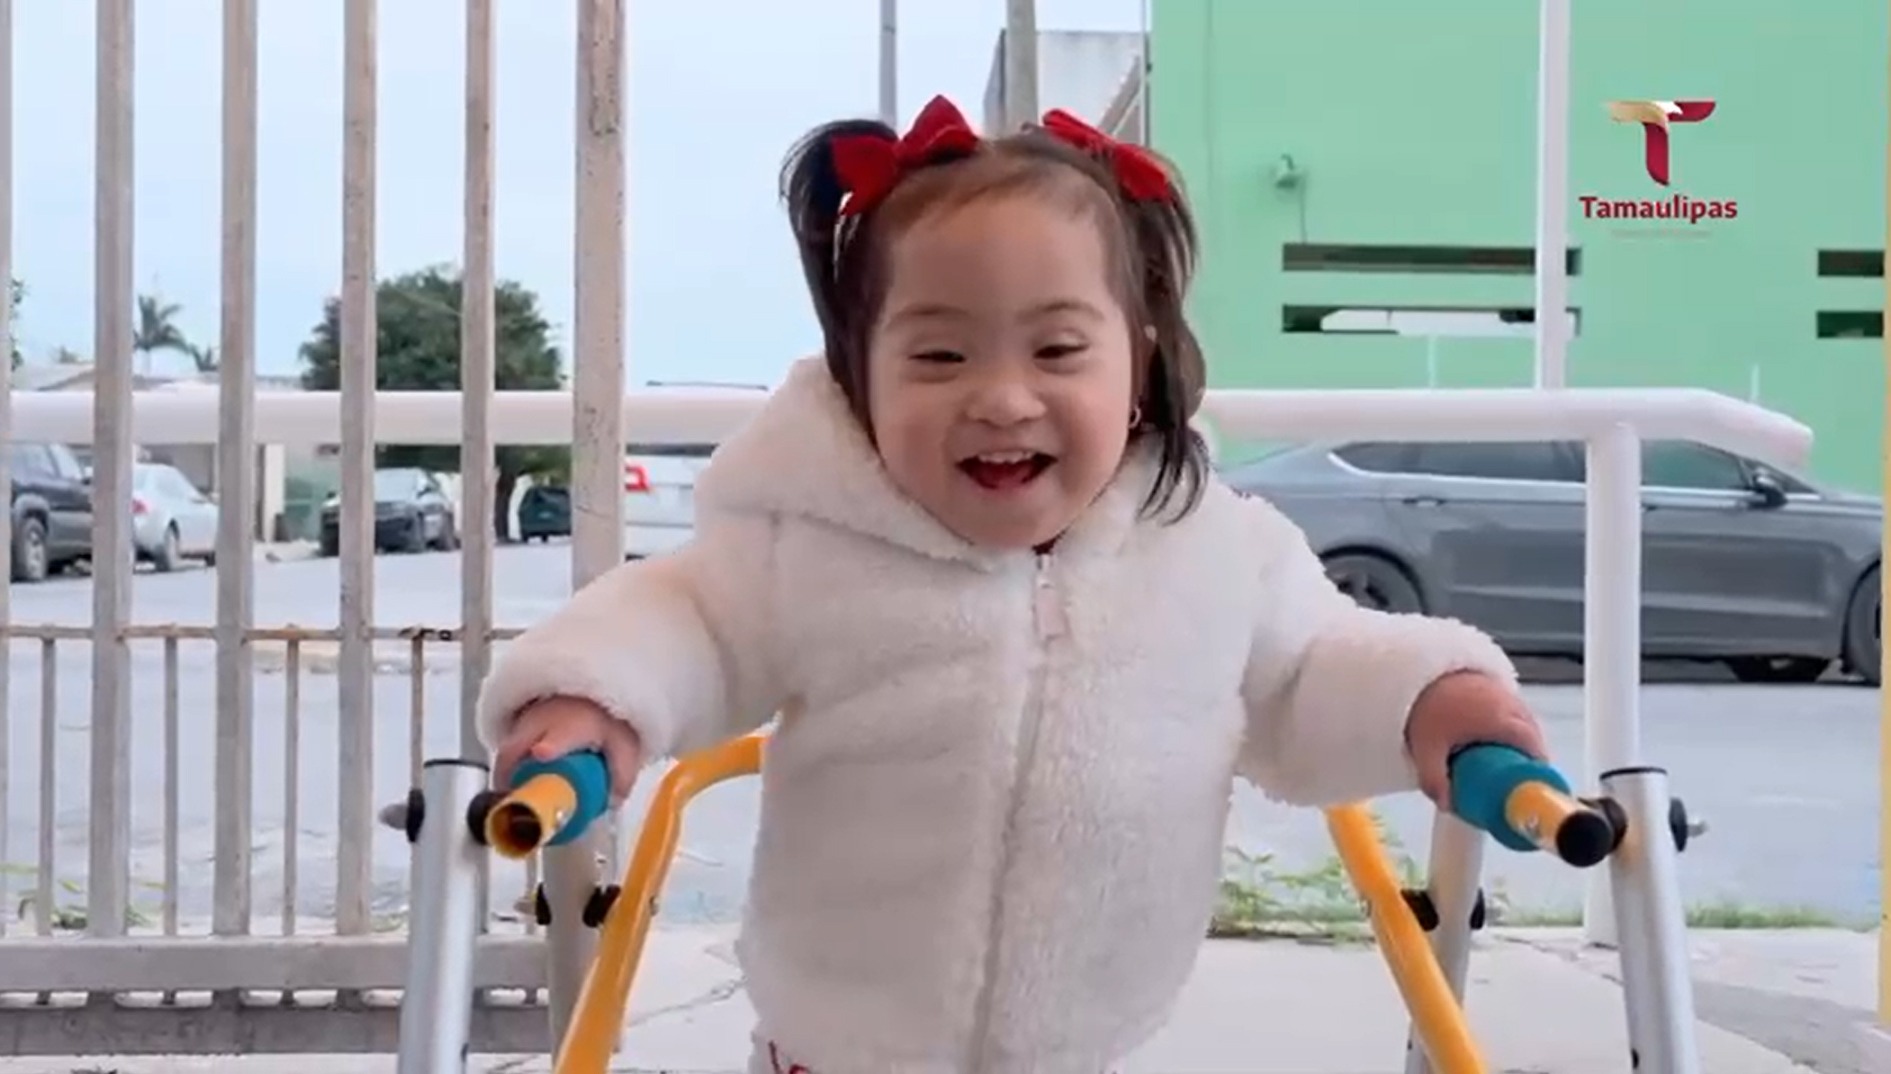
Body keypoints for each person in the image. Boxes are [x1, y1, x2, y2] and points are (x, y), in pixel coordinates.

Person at [477, 95, 1549, 1074]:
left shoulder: (1216, 552)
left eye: (1057, 350)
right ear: (858, 381)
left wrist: (1432, 699)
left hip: (1082, 1045)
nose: (1000, 398)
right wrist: (594, 697)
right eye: (939, 357)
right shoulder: (811, 547)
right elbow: (686, 625)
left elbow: (1312, 671)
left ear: (1137, 367)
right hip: (832, 1049)